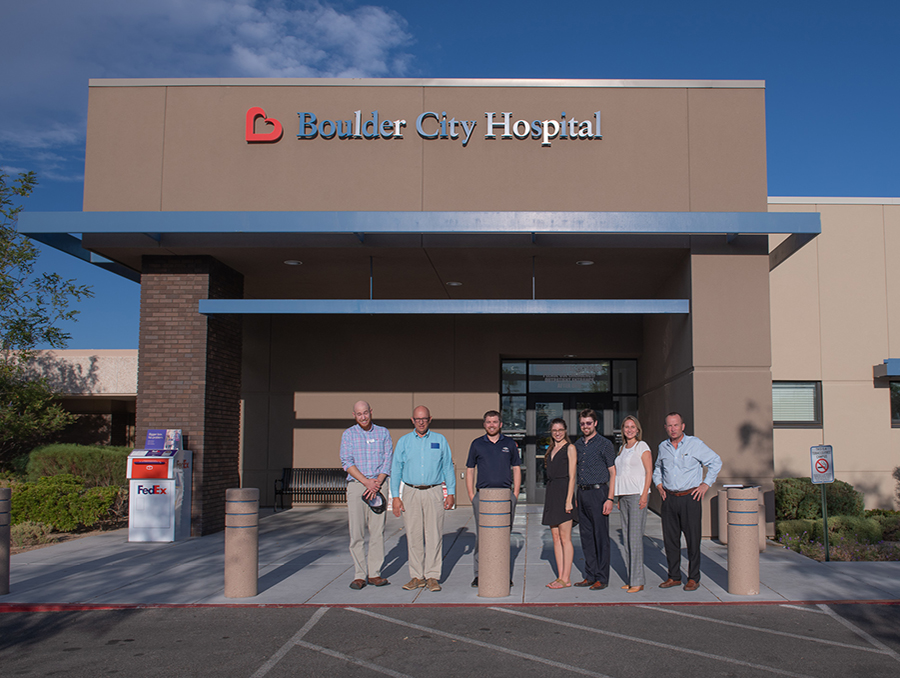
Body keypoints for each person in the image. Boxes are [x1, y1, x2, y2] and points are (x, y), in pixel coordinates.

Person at [652, 411, 722, 592]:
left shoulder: (695, 444)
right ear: (665, 428)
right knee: (670, 541)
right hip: (669, 499)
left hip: (690, 498)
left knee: (692, 540)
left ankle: (693, 578)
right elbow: (658, 467)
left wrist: (706, 485)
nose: (673, 428)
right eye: (669, 425)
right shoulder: (663, 447)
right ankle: (674, 576)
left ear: (682, 426)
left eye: (676, 425)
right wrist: (658, 484)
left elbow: (715, 461)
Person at [390, 405, 456, 593]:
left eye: (424, 419)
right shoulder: (403, 442)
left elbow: (447, 468)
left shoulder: (439, 440)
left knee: (434, 534)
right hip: (410, 492)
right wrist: (396, 496)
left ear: (430, 419)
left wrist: (450, 492)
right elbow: (396, 470)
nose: (421, 422)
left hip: (433, 491)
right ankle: (417, 576)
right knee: (414, 535)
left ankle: (433, 576)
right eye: (417, 419)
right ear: (412, 420)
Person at [339, 400, 394, 590]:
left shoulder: (383, 433)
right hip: (357, 486)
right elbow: (346, 461)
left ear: (371, 412)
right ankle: (359, 575)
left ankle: (375, 573)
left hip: (378, 486)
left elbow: (388, 459)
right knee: (357, 532)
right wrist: (366, 482)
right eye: (359, 414)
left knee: (377, 531)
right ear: (354, 415)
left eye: (365, 413)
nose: (363, 417)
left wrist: (376, 482)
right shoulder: (348, 435)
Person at [466, 410, 522, 588]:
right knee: (482, 536)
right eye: (488, 422)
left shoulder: (509, 444)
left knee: (504, 536)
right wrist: (471, 495)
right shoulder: (476, 444)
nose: (491, 425)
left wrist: (515, 494)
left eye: (495, 422)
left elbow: (516, 468)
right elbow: (470, 469)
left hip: (505, 496)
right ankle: (479, 574)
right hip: (483, 497)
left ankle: (502, 573)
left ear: (500, 424)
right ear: (484, 424)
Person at [573, 408, 617, 590]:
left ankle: (602, 577)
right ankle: (590, 575)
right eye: (582, 423)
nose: (585, 426)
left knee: (600, 537)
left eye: (588, 423)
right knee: (586, 537)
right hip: (582, 493)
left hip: (599, 493)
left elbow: (613, 473)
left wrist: (610, 499)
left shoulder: (605, 444)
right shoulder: (577, 445)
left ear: (595, 423)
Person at [614, 415, 653, 593]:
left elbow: (649, 471)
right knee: (628, 539)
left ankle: (638, 581)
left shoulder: (641, 446)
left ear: (637, 429)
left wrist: (644, 494)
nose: (629, 430)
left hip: (637, 495)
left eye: (632, 427)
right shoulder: (622, 448)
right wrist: (618, 497)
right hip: (623, 496)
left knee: (635, 539)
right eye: (626, 427)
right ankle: (631, 578)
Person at [541, 418, 577, 589]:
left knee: (565, 538)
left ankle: (566, 578)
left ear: (565, 430)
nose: (557, 433)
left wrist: (569, 500)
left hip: (564, 494)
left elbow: (572, 476)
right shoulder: (550, 449)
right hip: (552, 493)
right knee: (555, 538)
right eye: (554, 430)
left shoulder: (569, 448)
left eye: (560, 430)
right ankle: (560, 576)